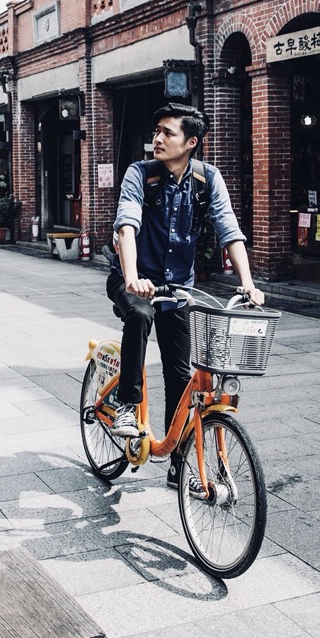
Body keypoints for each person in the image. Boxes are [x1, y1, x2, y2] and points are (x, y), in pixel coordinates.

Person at [107, 102, 265, 493]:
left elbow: (230, 229)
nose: (157, 139)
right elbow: (127, 224)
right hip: (133, 280)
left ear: (191, 142)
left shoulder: (207, 179)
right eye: (156, 131)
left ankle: (179, 463)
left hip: (177, 289)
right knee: (140, 316)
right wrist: (131, 278)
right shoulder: (139, 174)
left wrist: (247, 283)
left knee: (181, 376)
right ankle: (126, 404)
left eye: (167, 133)